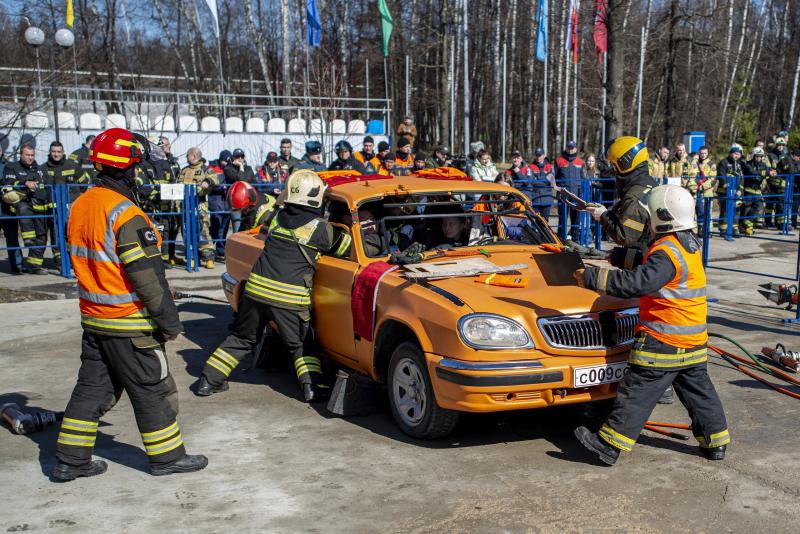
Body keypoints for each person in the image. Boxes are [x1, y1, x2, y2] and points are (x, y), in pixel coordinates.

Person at [53, 127, 206, 480]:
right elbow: (148, 279)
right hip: (130, 321)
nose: (139, 172)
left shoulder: (81, 205)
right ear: (126, 169)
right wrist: (169, 322)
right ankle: (168, 458)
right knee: (152, 388)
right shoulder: (127, 215)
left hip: (94, 318)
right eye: (136, 166)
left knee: (91, 388)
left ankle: (70, 461)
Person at [573, 184, 729, 466]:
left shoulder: (666, 251)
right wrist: (624, 257)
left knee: (637, 391)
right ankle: (715, 443)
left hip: (664, 339)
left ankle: (608, 444)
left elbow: (639, 282)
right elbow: (657, 265)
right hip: (692, 340)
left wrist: (592, 277)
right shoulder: (687, 243)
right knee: (700, 394)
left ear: (661, 216)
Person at [194, 170, 352, 402]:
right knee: (300, 344)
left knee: (242, 337)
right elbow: (347, 247)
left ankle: (208, 380)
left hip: (254, 292)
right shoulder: (319, 229)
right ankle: (313, 388)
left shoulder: (277, 218)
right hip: (288, 299)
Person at [586, 136, 672, 404]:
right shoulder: (650, 184)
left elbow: (626, 234)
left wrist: (603, 216)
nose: (611, 173)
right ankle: (663, 385)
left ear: (623, 165)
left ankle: (655, 387)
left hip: (653, 271)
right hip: (658, 263)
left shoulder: (635, 196)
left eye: (613, 167)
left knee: (646, 328)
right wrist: (623, 257)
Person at [40, 141, 91, 268]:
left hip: (71, 208)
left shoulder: (72, 166)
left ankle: (73, 259)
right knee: (56, 234)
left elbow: (84, 183)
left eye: (58, 152)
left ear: (63, 153)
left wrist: (76, 197)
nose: (56, 154)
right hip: (53, 209)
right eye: (53, 151)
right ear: (50, 152)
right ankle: (60, 261)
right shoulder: (43, 168)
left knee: (72, 234)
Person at [1, 144, 48, 274]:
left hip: (39, 205)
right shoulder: (12, 167)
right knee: (23, 211)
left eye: (32, 155)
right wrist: (24, 183)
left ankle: (35, 266)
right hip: (21, 205)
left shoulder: (39, 169)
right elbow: (8, 184)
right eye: (27, 155)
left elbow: (44, 186)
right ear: (21, 155)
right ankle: (27, 240)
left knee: (42, 236)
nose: (30, 158)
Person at [178, 147, 220, 269]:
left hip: (200, 205)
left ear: (194, 156)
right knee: (187, 232)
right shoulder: (184, 170)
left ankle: (208, 258)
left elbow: (215, 178)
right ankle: (190, 258)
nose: (186, 158)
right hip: (185, 206)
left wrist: (207, 181)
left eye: (187, 156)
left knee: (203, 231)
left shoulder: (205, 169)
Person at [555, 140, 585, 240]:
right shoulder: (559, 161)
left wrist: (581, 194)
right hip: (563, 194)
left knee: (576, 218)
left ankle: (575, 237)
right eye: (568, 147)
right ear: (566, 148)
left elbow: (583, 178)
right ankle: (560, 237)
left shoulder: (580, 162)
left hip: (576, 194)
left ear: (575, 148)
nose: (570, 150)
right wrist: (558, 191)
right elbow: (555, 177)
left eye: (572, 148)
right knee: (562, 217)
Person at [224, 148, 255, 234]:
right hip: (236, 203)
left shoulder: (249, 168)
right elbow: (242, 181)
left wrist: (243, 168)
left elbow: (252, 181)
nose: (240, 158)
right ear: (233, 158)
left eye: (242, 156)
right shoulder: (228, 169)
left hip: (249, 203)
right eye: (237, 156)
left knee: (249, 228)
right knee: (237, 229)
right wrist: (241, 166)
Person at [716, 144, 744, 237]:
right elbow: (721, 176)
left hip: (736, 192)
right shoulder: (723, 162)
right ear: (731, 153)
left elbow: (741, 178)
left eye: (738, 154)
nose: (737, 155)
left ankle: (734, 229)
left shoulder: (738, 164)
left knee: (736, 210)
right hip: (724, 192)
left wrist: (740, 189)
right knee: (725, 210)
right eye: (735, 153)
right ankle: (723, 230)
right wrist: (728, 187)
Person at [740, 147, 770, 234]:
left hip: (757, 191)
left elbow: (769, 171)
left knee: (759, 209)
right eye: (757, 156)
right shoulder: (747, 164)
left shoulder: (763, 165)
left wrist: (772, 172)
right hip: (748, 191)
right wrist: (764, 174)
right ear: (753, 156)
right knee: (746, 209)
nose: (759, 158)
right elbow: (751, 172)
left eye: (760, 157)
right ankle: (744, 228)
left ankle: (747, 223)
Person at [208, 150, 231, 260]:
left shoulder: (231, 167)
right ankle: (211, 249)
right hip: (215, 203)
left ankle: (221, 250)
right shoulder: (212, 168)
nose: (224, 163)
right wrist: (220, 187)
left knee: (224, 228)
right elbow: (209, 184)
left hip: (227, 204)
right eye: (223, 161)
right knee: (215, 228)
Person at [766, 137, 789, 228]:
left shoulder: (786, 156)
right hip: (771, 184)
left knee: (781, 205)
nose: (780, 147)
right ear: (776, 145)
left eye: (782, 145)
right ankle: (767, 222)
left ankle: (780, 224)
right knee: (770, 204)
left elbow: (789, 168)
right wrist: (772, 171)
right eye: (779, 145)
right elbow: (767, 167)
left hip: (782, 184)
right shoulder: (770, 155)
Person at [526, 148, 555, 220]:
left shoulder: (549, 166)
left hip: (546, 198)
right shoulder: (531, 167)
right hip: (535, 198)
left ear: (544, 155)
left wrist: (537, 180)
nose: (538, 157)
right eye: (537, 155)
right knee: (535, 222)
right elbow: (530, 181)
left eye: (540, 155)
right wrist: (544, 181)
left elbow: (551, 180)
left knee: (545, 221)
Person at [694, 146, 717, 231]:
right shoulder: (695, 163)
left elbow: (713, 180)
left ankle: (708, 231)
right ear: (699, 153)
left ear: (707, 154)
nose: (703, 155)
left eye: (705, 153)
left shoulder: (711, 164)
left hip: (707, 192)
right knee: (697, 212)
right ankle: (698, 230)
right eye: (701, 153)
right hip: (696, 191)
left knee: (707, 212)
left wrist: (702, 186)